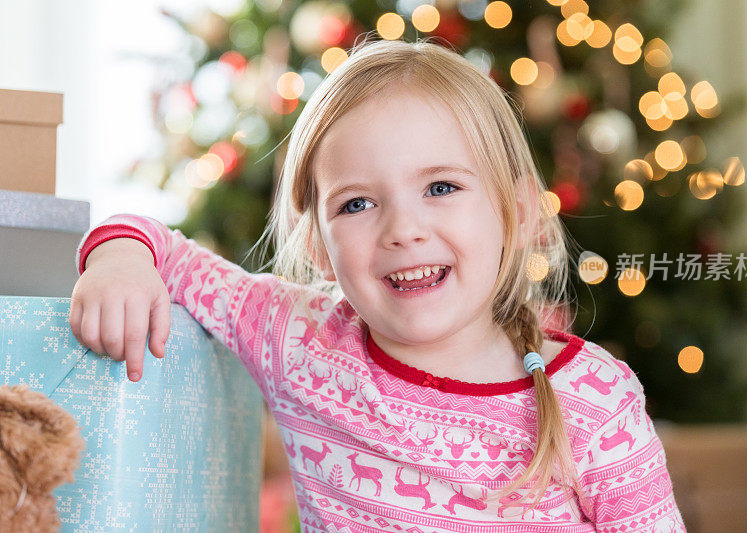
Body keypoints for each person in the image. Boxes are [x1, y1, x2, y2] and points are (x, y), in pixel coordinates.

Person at [70, 37, 685, 531]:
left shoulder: (595, 399)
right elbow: (162, 247)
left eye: (441, 188)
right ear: (319, 246)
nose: (402, 229)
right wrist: (120, 259)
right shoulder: (299, 340)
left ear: (519, 212)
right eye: (358, 203)